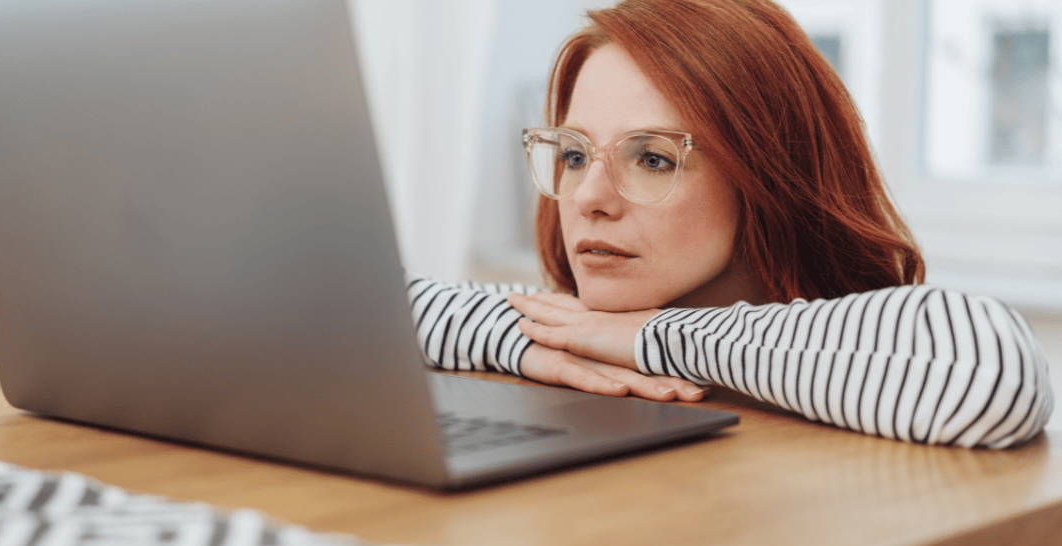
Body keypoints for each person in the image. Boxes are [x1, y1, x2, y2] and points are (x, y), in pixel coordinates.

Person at [408, 0, 1053, 449]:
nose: (588, 198)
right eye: (574, 155)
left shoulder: (873, 348)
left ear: (767, 177)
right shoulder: (574, 327)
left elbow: (991, 370)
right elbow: (330, 312)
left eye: (654, 158)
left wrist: (649, 336)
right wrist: (535, 337)